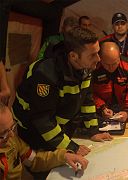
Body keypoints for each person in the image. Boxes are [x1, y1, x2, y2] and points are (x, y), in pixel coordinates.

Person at [12, 27, 113, 158]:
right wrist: (70, 147)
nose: (98, 59)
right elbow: (43, 120)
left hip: (57, 128)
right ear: (73, 56)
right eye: (93, 55)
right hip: (34, 131)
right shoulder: (45, 75)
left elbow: (87, 100)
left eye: (98, 52)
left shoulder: (85, 67)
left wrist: (93, 131)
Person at [0, 102, 88, 179]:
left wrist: (63, 156)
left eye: (12, 127)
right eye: (2, 133)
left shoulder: (11, 140)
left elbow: (34, 160)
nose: (11, 135)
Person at [92, 42, 128, 122]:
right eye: (106, 64)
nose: (111, 68)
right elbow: (91, 93)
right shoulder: (93, 69)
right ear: (100, 59)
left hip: (125, 107)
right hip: (102, 110)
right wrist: (102, 107)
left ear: (119, 56)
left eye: (114, 63)